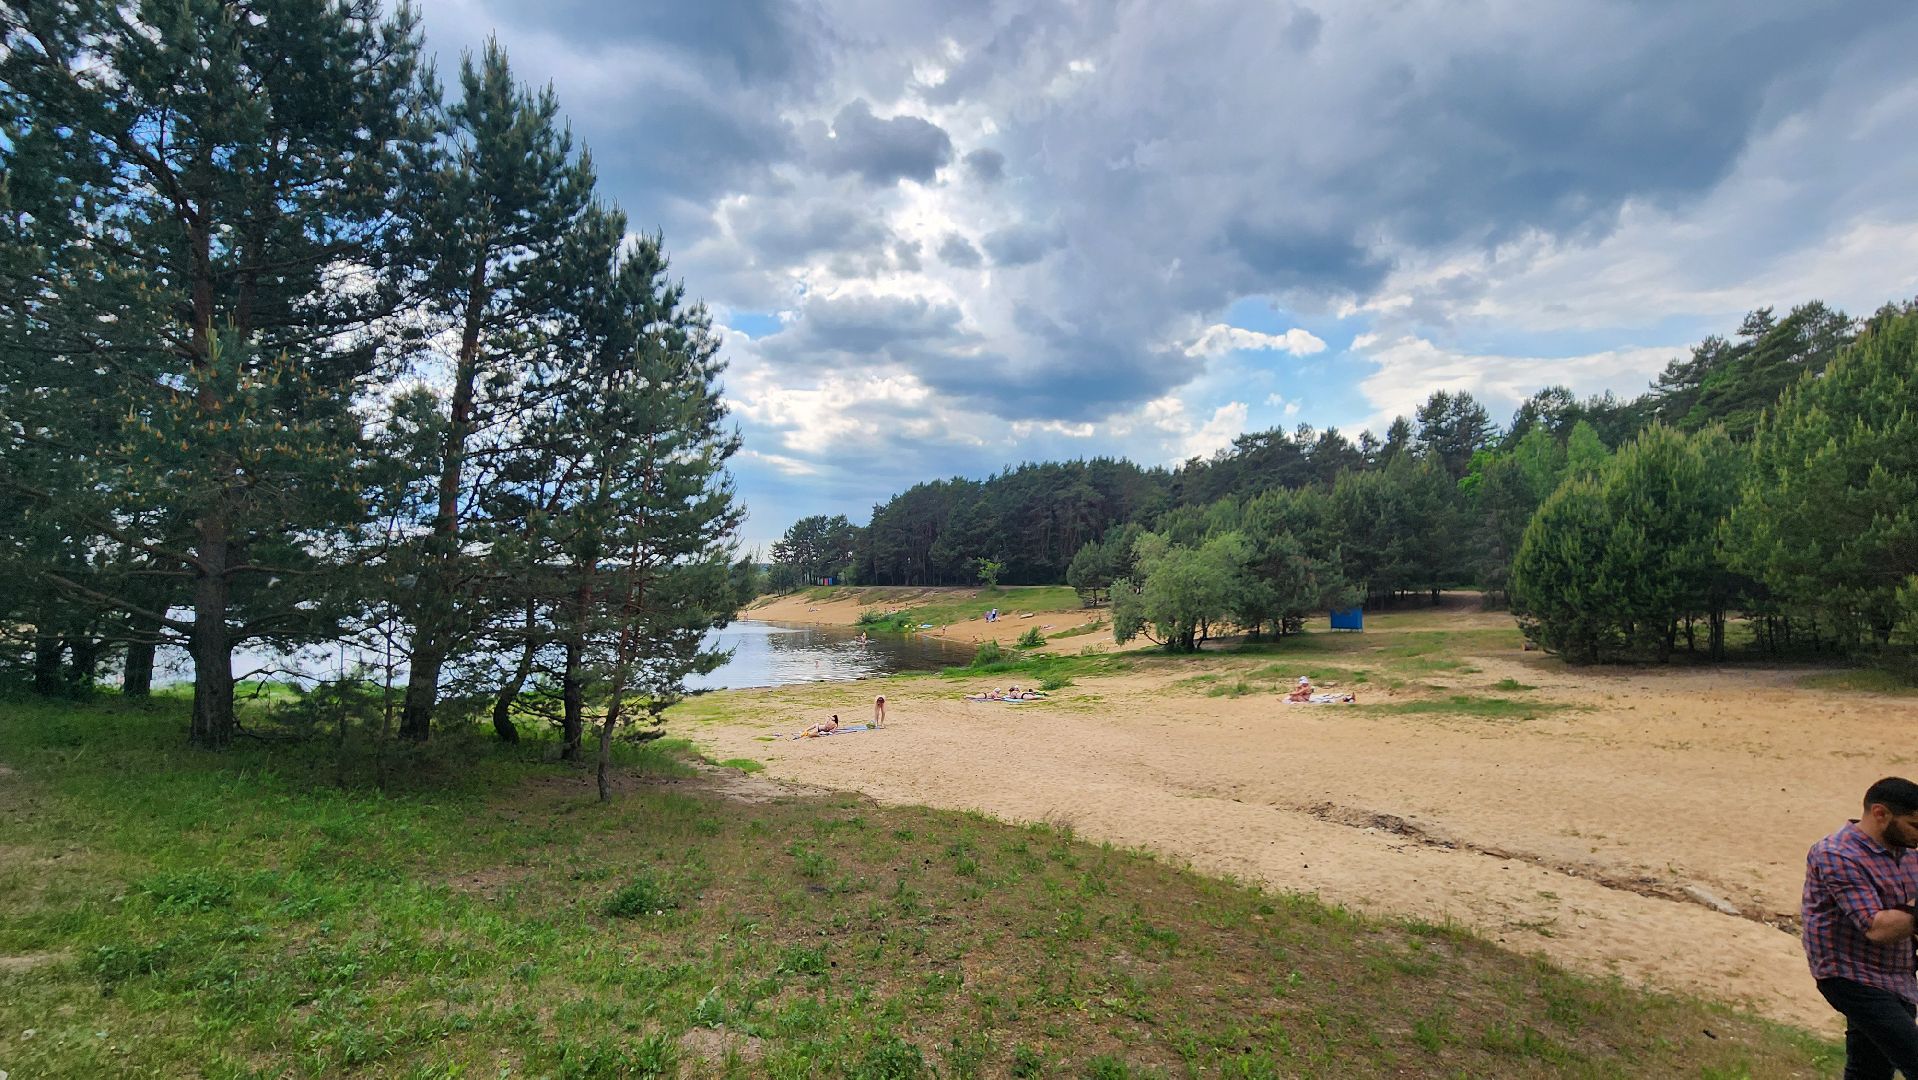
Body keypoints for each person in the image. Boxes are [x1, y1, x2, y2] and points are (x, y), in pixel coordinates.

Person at [1803, 776, 1918, 1078]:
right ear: (1880, 814)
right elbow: (1876, 928)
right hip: (1849, 975)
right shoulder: (1837, 854)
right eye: (1914, 826)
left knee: (1870, 1072)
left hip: (1898, 976)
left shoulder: (1909, 855)